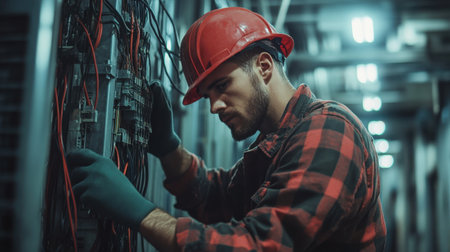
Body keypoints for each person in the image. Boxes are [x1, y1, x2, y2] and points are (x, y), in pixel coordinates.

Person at [67, 7, 387, 251]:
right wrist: (168, 147)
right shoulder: (274, 144)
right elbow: (217, 197)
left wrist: (142, 214)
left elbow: (260, 245)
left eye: (222, 85)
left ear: (263, 67)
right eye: (207, 95)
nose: (214, 106)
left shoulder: (330, 130)